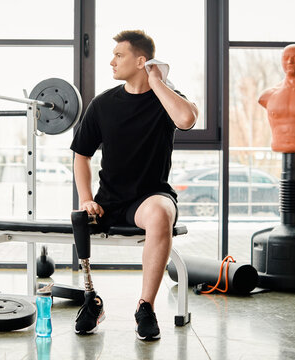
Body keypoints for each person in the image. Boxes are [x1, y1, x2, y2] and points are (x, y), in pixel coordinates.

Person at [70, 30, 198, 341]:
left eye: (119, 55)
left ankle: (145, 307)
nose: (111, 61)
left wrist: (157, 83)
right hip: (109, 201)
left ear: (141, 61)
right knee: (77, 218)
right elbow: (81, 156)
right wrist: (86, 199)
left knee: (159, 213)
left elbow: (186, 119)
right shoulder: (102, 104)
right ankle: (92, 301)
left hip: (149, 198)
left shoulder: (167, 98)